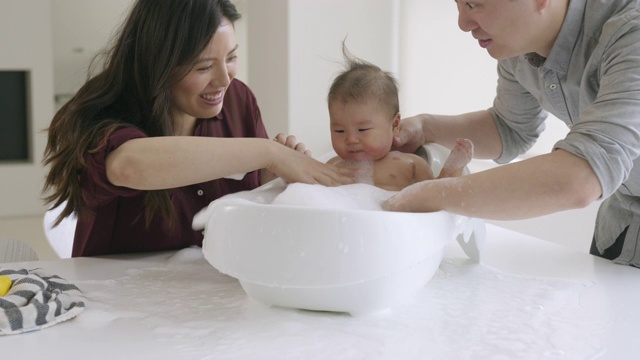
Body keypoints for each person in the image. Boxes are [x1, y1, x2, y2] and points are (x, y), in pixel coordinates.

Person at [42, 0, 352, 257]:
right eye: (203, 67)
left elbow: (244, 204)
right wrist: (267, 153)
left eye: (231, 58)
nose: (223, 80)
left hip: (211, 292)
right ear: (159, 63)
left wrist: (269, 180)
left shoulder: (237, 100)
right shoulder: (105, 112)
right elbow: (127, 166)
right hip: (121, 299)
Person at [384, 0, 640, 267]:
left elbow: (581, 179)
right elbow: (510, 128)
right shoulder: (520, 45)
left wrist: (429, 196)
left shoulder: (632, 33)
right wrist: (425, 129)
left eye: (473, 4)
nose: (462, 23)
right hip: (623, 229)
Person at [326, 44, 473, 192]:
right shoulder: (332, 166)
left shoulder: (409, 163)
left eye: (362, 129)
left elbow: (435, 195)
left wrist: (451, 169)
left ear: (395, 125)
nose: (351, 139)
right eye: (339, 131)